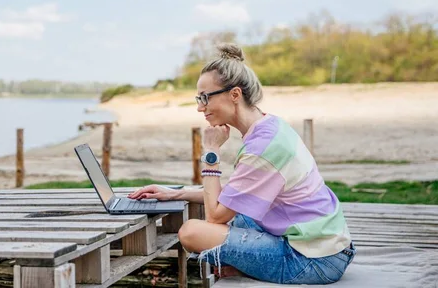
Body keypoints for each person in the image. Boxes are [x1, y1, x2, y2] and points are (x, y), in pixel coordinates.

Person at [129, 44, 356, 285]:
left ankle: (241, 268)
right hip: (325, 244)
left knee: (192, 232)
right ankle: (240, 266)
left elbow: (216, 215)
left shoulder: (263, 148)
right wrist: (175, 193)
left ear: (234, 95)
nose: (199, 107)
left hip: (313, 260)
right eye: (198, 98)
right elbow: (239, 194)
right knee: (238, 218)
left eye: (205, 97)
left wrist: (211, 152)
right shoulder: (270, 126)